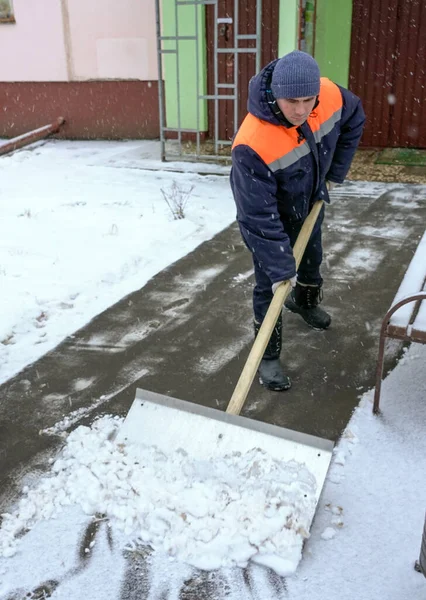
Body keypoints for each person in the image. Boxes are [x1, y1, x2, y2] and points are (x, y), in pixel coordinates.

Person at [230, 50, 365, 392]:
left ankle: (304, 303)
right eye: (292, 101)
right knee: (269, 284)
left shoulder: (330, 96)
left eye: (308, 100)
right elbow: (256, 216)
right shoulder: (252, 144)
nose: (302, 110)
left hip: (310, 200)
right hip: (273, 215)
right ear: (276, 94)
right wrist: (278, 268)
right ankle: (269, 354)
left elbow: (355, 118)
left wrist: (334, 174)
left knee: (311, 258)